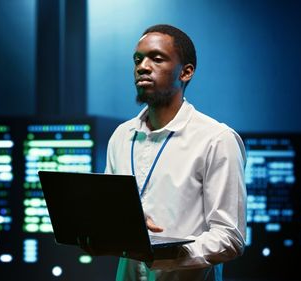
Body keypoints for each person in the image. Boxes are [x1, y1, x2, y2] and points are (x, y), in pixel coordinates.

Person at [104, 24, 247, 280]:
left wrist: (163, 253)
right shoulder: (121, 137)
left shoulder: (216, 139)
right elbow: (111, 217)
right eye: (138, 59)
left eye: (156, 58)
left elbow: (230, 238)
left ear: (186, 72)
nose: (143, 67)